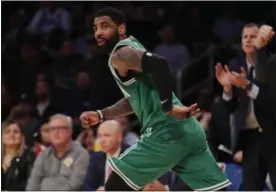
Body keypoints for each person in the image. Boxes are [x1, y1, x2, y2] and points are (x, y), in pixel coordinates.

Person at [80, 7, 230, 191]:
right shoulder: (132, 49)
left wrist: (166, 106)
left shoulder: (121, 54)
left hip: (164, 132)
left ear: (120, 29)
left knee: (114, 187)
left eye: (105, 26)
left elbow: (160, 64)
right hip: (188, 131)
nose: (99, 32)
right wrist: (101, 114)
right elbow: (134, 101)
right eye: (95, 28)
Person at [1, 120, 36, 191]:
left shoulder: (29, 157)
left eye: (16, 132)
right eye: (7, 132)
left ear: (22, 136)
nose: (11, 134)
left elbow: (32, 182)